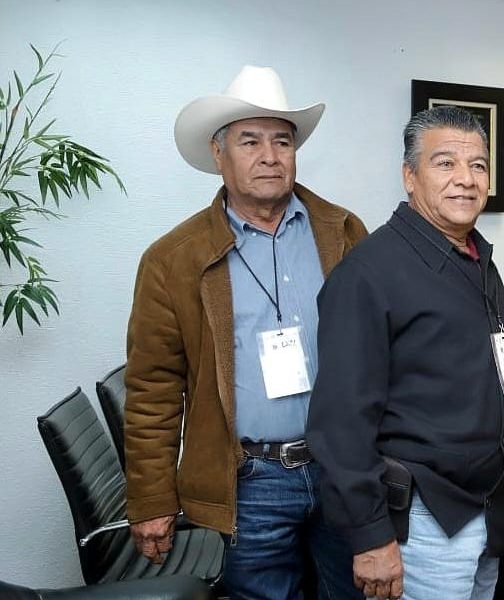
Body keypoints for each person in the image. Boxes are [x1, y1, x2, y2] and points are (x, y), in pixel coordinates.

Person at [124, 65, 367, 599]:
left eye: (282, 141)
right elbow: (152, 391)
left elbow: (381, 355)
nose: (269, 156)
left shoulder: (345, 233)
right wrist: (151, 500)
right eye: (250, 141)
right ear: (219, 154)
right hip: (250, 482)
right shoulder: (172, 260)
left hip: (342, 470)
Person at [306, 105, 504, 600]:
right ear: (409, 176)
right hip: (423, 523)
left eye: (478, 165)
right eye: (445, 163)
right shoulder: (368, 274)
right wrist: (370, 536)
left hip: (486, 512)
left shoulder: (476, 260)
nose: (466, 179)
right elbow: (341, 422)